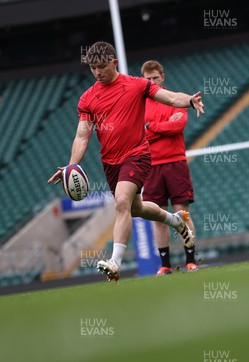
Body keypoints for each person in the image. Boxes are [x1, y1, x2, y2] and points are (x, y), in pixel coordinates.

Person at [47, 41, 204, 281]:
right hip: (110, 162)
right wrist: (71, 165)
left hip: (137, 155)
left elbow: (171, 98)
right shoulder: (87, 99)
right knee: (136, 208)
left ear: (114, 63)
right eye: (92, 68)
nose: (97, 72)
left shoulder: (137, 85)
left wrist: (190, 101)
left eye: (101, 66)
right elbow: (82, 135)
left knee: (121, 202)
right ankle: (177, 222)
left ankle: (115, 262)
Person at [141, 60, 198, 275]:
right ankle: (164, 265)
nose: (152, 82)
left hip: (175, 162)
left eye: (155, 78)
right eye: (148, 80)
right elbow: (140, 135)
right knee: (158, 217)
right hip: (151, 166)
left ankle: (191, 261)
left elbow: (179, 125)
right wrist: (162, 128)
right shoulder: (140, 105)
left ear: (162, 77)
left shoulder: (176, 98)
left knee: (182, 214)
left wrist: (152, 127)